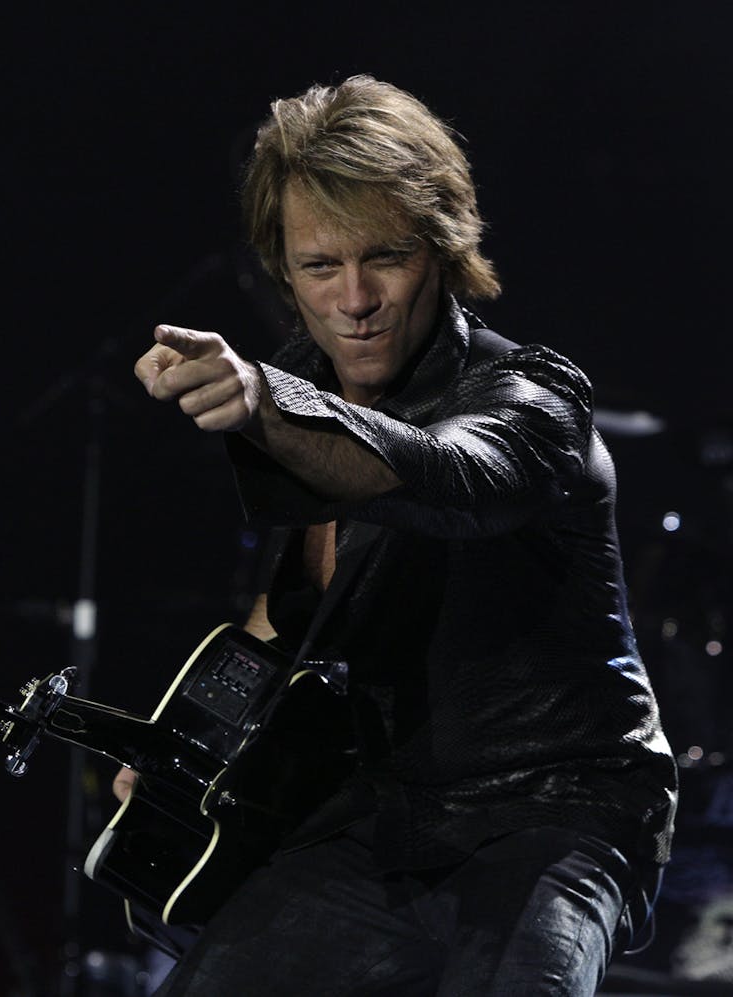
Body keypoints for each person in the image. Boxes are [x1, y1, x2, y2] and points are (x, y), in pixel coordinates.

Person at [123, 76, 678, 995]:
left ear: (445, 250)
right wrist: (185, 751)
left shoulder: (531, 398)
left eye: (386, 257)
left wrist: (266, 402)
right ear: (281, 272)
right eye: (319, 267)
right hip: (375, 814)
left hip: (556, 806)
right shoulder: (304, 394)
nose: (355, 300)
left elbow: (442, 476)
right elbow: (288, 619)